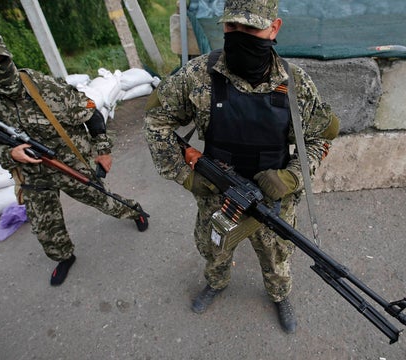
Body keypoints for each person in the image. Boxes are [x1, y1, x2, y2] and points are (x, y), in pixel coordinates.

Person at [144, 0, 339, 333]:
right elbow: (156, 119)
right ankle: (216, 283)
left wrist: (291, 177)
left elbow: (320, 138)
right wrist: (186, 176)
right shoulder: (197, 75)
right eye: (233, 27)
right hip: (217, 196)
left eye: (252, 28)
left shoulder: (296, 85)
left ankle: (279, 295)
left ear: (274, 28)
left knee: (277, 257)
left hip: (272, 201)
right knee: (214, 248)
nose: (241, 35)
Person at [0, 27, 149, 286]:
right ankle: (64, 257)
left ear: (8, 56)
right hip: (34, 175)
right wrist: (11, 153)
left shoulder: (42, 86)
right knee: (44, 226)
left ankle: (134, 212)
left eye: (0, 59)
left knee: (104, 200)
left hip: (69, 163)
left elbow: (90, 110)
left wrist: (103, 150)